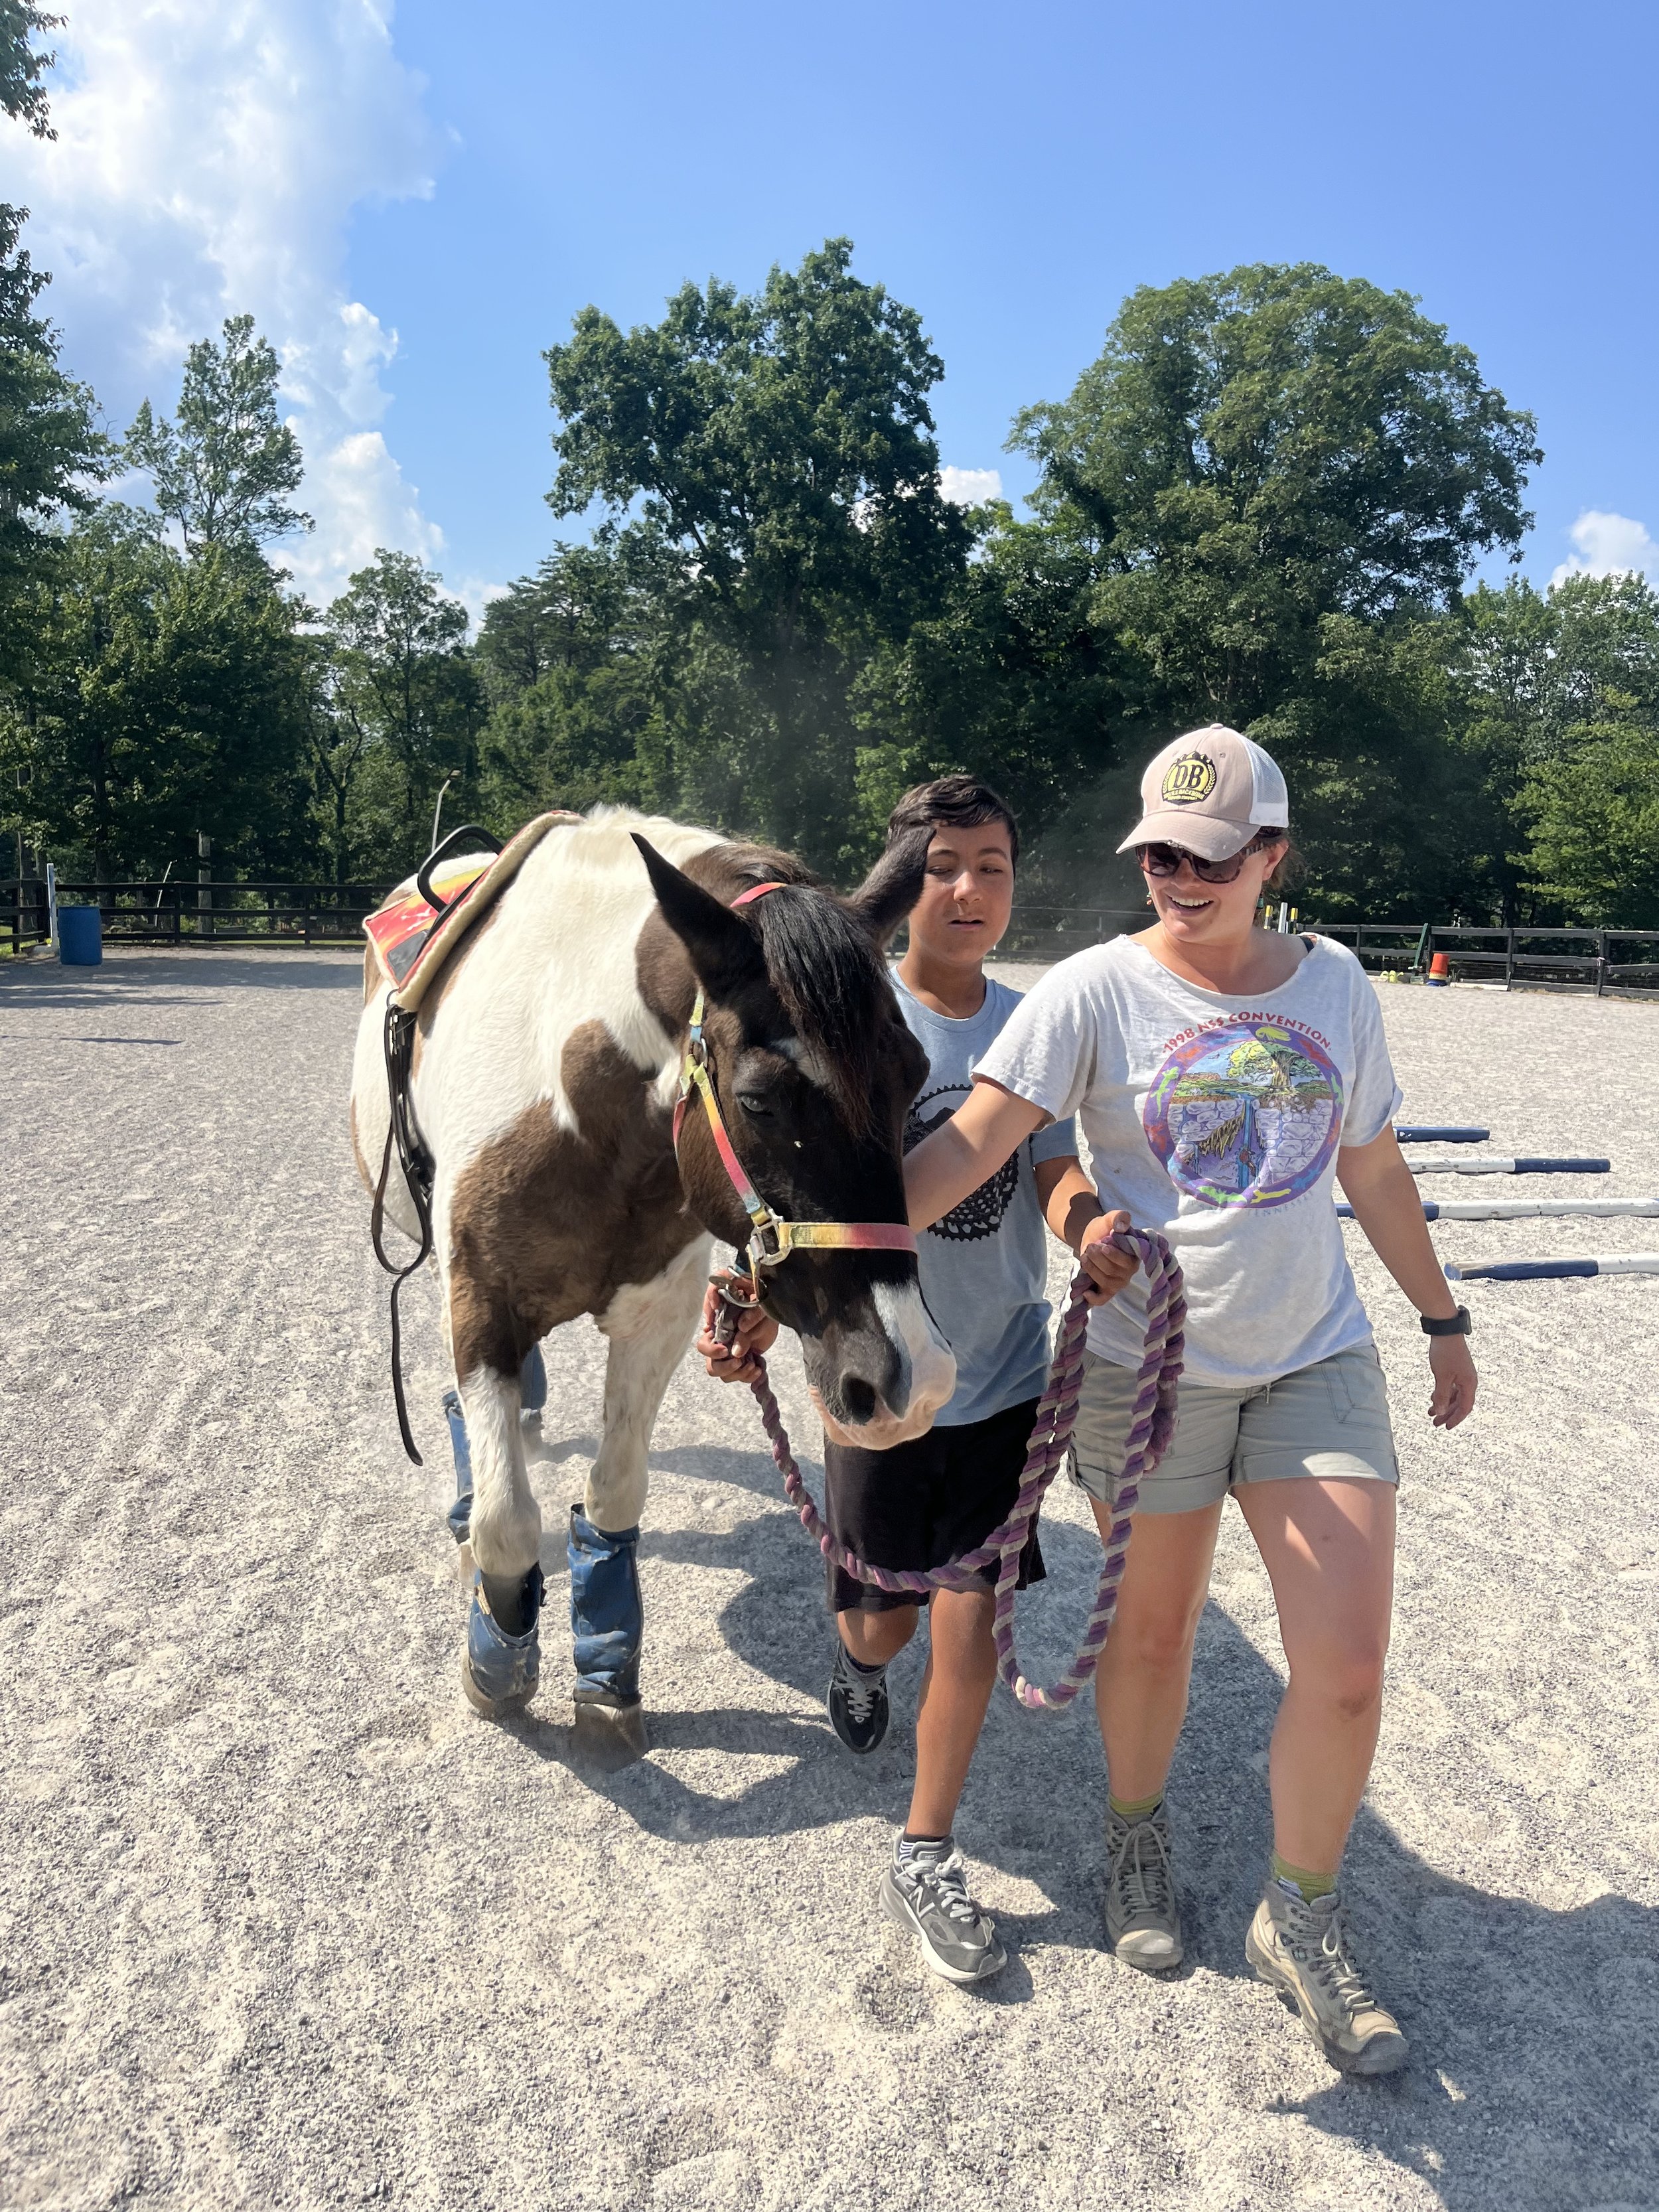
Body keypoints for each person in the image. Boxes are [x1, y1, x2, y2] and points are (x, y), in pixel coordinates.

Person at [901, 725, 1477, 2076]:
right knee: (1148, 1639)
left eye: (1210, 854)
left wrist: (1438, 1314)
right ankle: (1135, 1834)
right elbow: (971, 1145)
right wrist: (816, 1234)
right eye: (1157, 851)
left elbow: (1374, 1167)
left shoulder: (1333, 987)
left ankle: (1301, 1918)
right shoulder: (1092, 990)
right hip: (1137, 1369)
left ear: (1271, 853)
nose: (1177, 875)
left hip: (1306, 1357)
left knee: (1340, 1668)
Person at [697, 776, 1096, 1986]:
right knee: (882, 1617)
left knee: (970, 1614)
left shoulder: (1035, 1024)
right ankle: (858, 1659)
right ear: (900, 888)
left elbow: (1051, 1166)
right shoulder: (841, 1018)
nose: (971, 890)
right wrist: (751, 1302)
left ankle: (927, 1844)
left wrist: (1095, 1228)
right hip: (872, 1367)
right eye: (944, 866)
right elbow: (785, 1186)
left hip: (1002, 1370)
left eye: (995, 865)